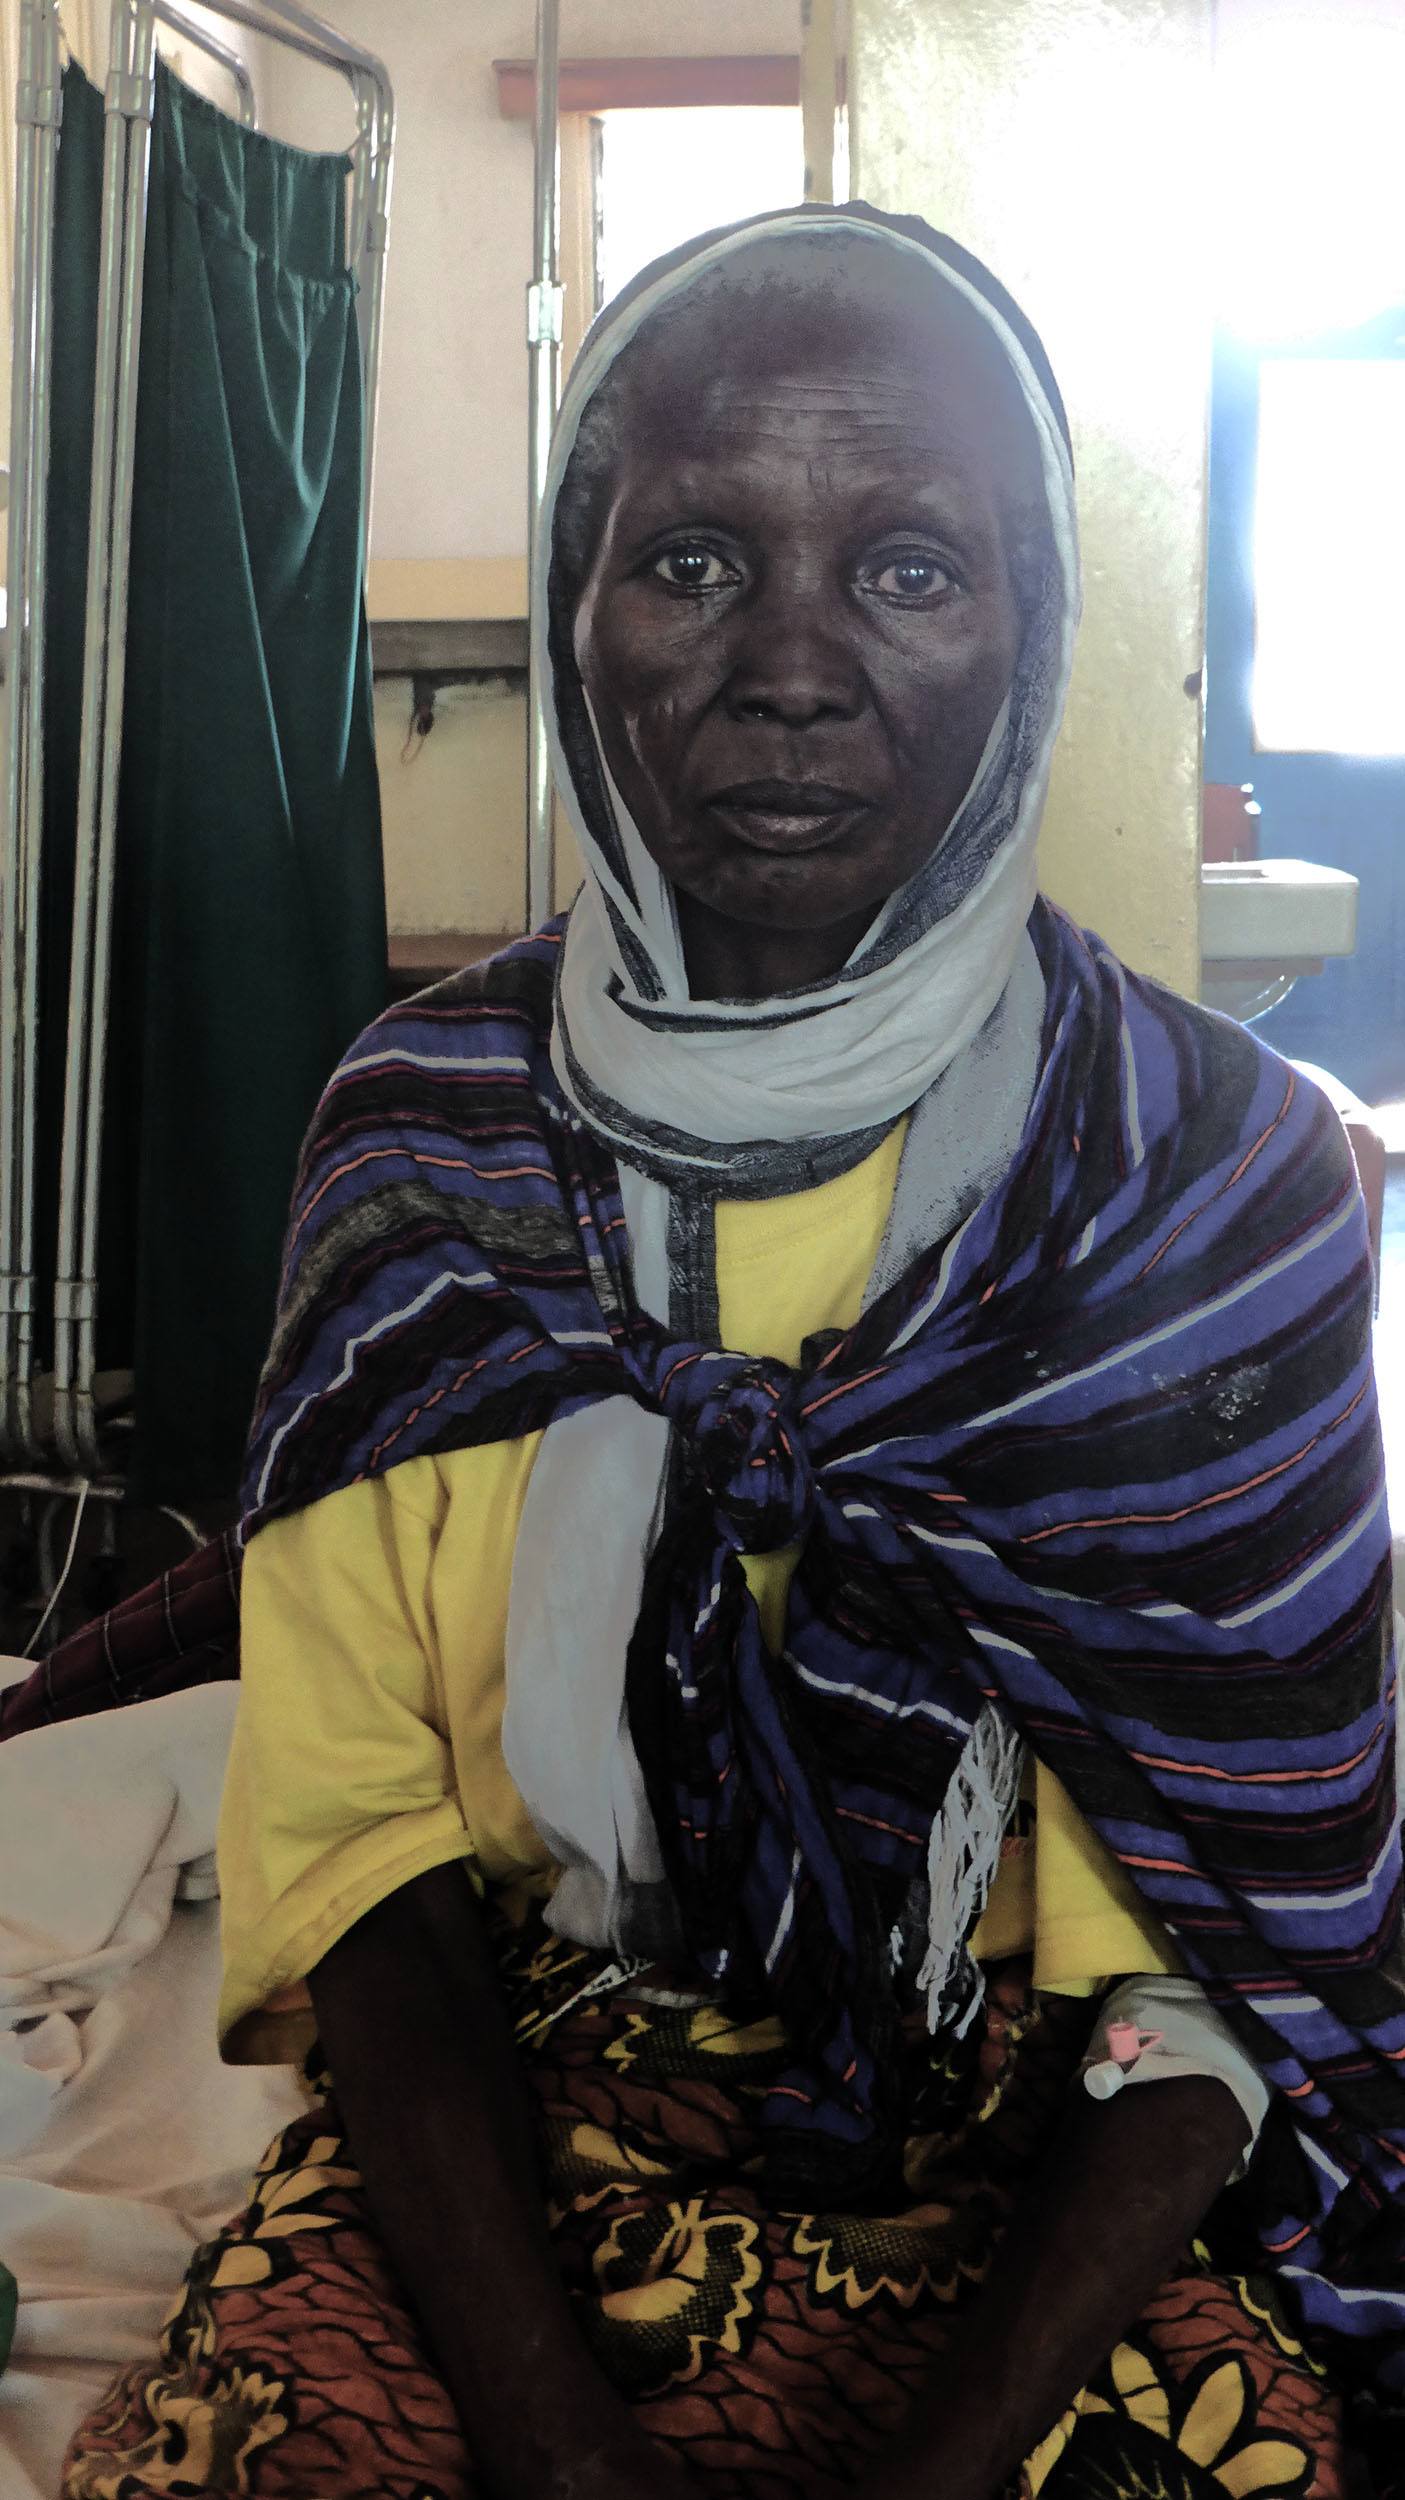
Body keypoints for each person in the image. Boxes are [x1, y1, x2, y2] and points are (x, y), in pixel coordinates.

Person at [58, 206, 1402, 2500]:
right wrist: (561, 2440)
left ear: (1035, 622)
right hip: (515, 2071)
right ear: (580, 618)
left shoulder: (1203, 1180)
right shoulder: (421, 1147)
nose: (787, 664)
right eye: (687, 561)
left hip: (1040, 2119)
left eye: (904, 569)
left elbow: (1203, 1939)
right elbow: (358, 1850)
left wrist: (935, 2469)